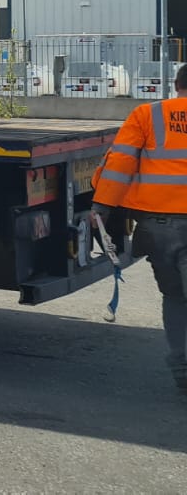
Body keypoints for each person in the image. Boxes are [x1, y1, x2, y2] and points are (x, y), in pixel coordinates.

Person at [91, 62, 187, 393]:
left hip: (159, 228)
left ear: (176, 84)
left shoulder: (147, 115)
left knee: (175, 298)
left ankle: (182, 370)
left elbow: (119, 164)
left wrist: (102, 206)